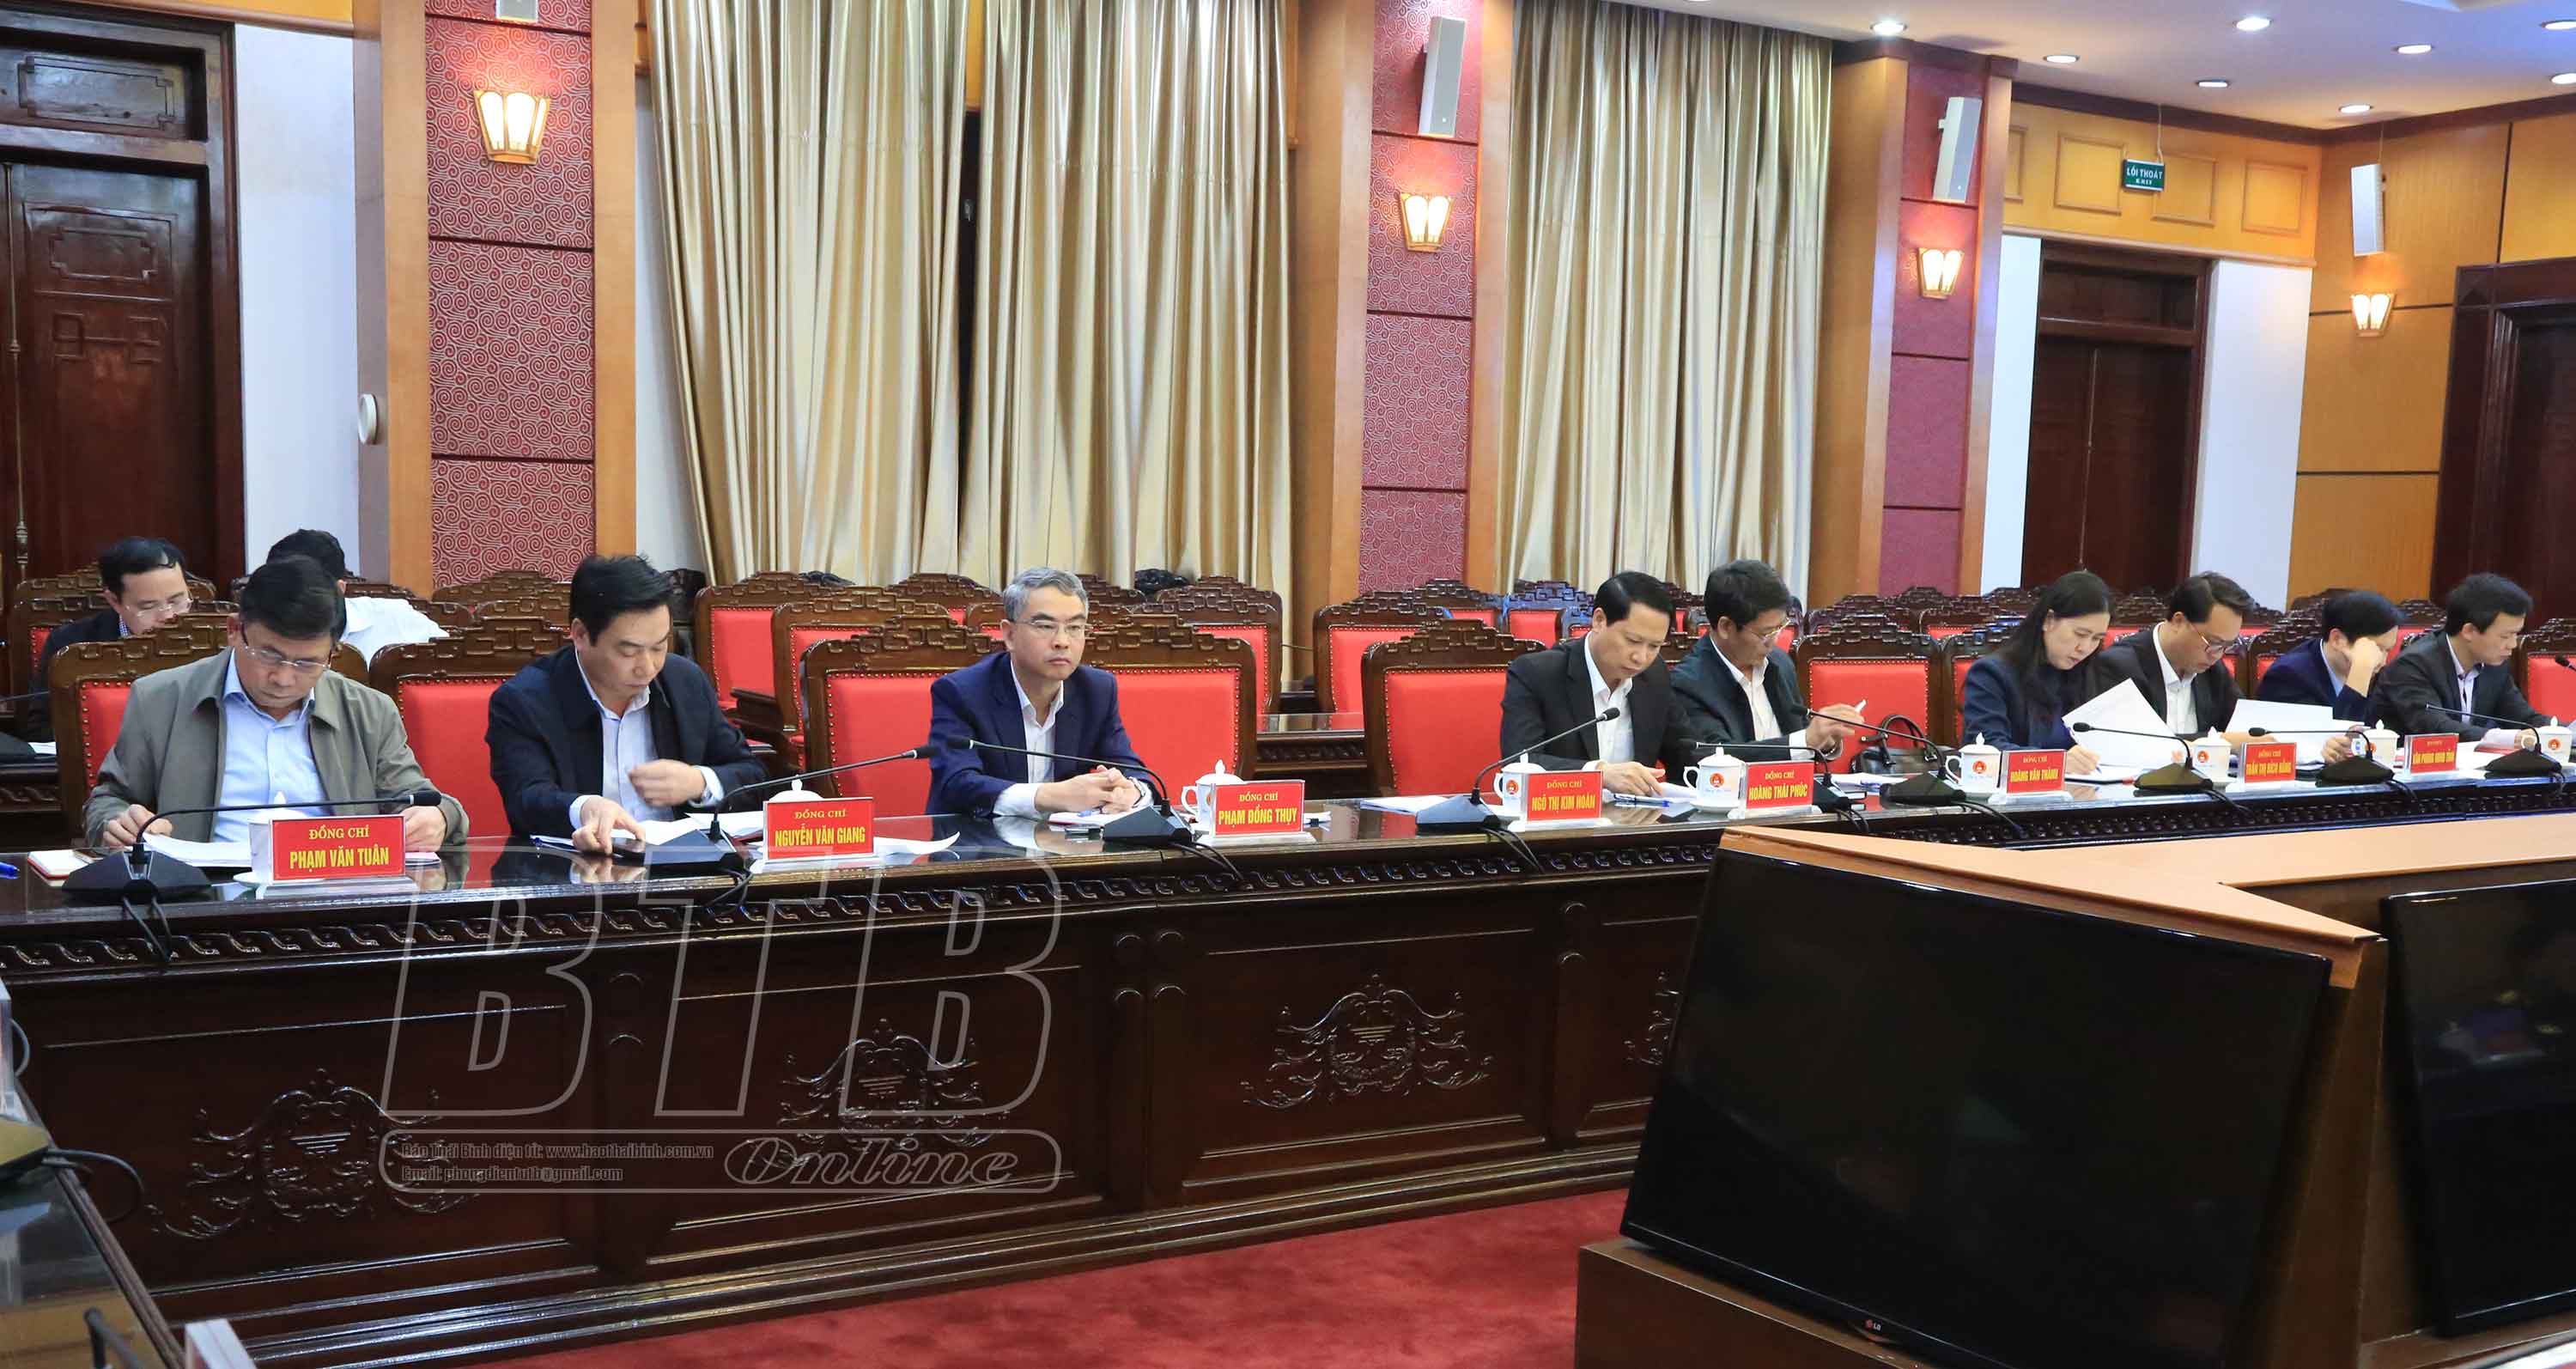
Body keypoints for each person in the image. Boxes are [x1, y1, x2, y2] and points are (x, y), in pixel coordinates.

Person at [83, 556, 466, 850]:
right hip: (204, 896)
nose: (284, 678)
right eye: (269, 655)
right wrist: (118, 823)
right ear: (235, 631)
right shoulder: (160, 699)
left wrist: (438, 818)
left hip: (337, 892)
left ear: (333, 654)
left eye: (307, 663)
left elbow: (422, 799)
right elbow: (108, 802)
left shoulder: (369, 711)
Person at [487, 553, 765, 851]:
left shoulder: (685, 682)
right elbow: (526, 799)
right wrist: (584, 808)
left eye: (659, 647)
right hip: (580, 867)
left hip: (684, 865)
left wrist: (699, 782)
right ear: (580, 635)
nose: (648, 667)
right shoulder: (524, 702)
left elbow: (753, 775)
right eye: (629, 652)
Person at [927, 568, 1147, 818]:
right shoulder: (962, 692)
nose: (1062, 641)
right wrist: (1049, 796)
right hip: (978, 838)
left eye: (1075, 627)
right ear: (1010, 635)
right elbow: (956, 783)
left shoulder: (1097, 690)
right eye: (1045, 626)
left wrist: (1132, 791)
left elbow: (1135, 771)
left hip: (1067, 840)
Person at [1497, 572, 1697, 795]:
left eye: (1654, 646)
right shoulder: (1537, 674)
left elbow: (1684, 751)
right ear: (1599, 620)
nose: (1641, 658)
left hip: (1636, 814)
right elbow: (1519, 762)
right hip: (1563, 812)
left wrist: (1721, 769)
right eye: (1633, 641)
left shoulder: (1654, 675)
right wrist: (1599, 774)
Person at [1670, 559, 1862, 763]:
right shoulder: (1688, 684)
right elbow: (1716, 757)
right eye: (1766, 633)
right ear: (1726, 627)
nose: (1775, 641)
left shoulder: (1780, 663)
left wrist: (1825, 740)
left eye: (1780, 627)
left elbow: (1800, 737)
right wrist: (1805, 741)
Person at [27, 537, 195, 741]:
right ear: (114, 601)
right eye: (149, 606)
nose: (168, 616)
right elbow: (42, 730)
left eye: (176, 601)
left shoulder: (217, 636)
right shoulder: (71, 645)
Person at [2370, 572, 2553, 746]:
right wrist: (2509, 738)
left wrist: (2561, 731)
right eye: (2505, 636)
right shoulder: (2413, 665)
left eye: (2516, 634)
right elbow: (2436, 727)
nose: (2513, 644)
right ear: (2469, 631)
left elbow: (2524, 718)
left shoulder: (2495, 664)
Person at [1959, 569, 2113, 775]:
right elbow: (1987, 752)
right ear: (2048, 620)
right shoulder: (1992, 674)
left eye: (2096, 639)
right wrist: (2057, 763)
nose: (2085, 648)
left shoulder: (2092, 672)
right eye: (2080, 634)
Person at [2083, 572, 2252, 745]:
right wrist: (2217, 741)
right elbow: (2135, 744)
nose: (2217, 654)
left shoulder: (2213, 668)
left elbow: (2245, 728)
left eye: (2227, 645)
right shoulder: (2119, 666)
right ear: (2179, 621)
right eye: (2213, 642)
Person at [2257, 589, 2400, 764]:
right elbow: (2332, 747)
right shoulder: (2288, 676)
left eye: (2387, 650)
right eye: (2376, 648)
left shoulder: (2380, 673)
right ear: (2337, 639)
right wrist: (2360, 672)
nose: (2382, 661)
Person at [264, 529, 446, 662]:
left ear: (340, 589)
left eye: (304, 595)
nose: (292, 605)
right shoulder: (258, 630)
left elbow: (452, 669)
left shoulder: (395, 618)